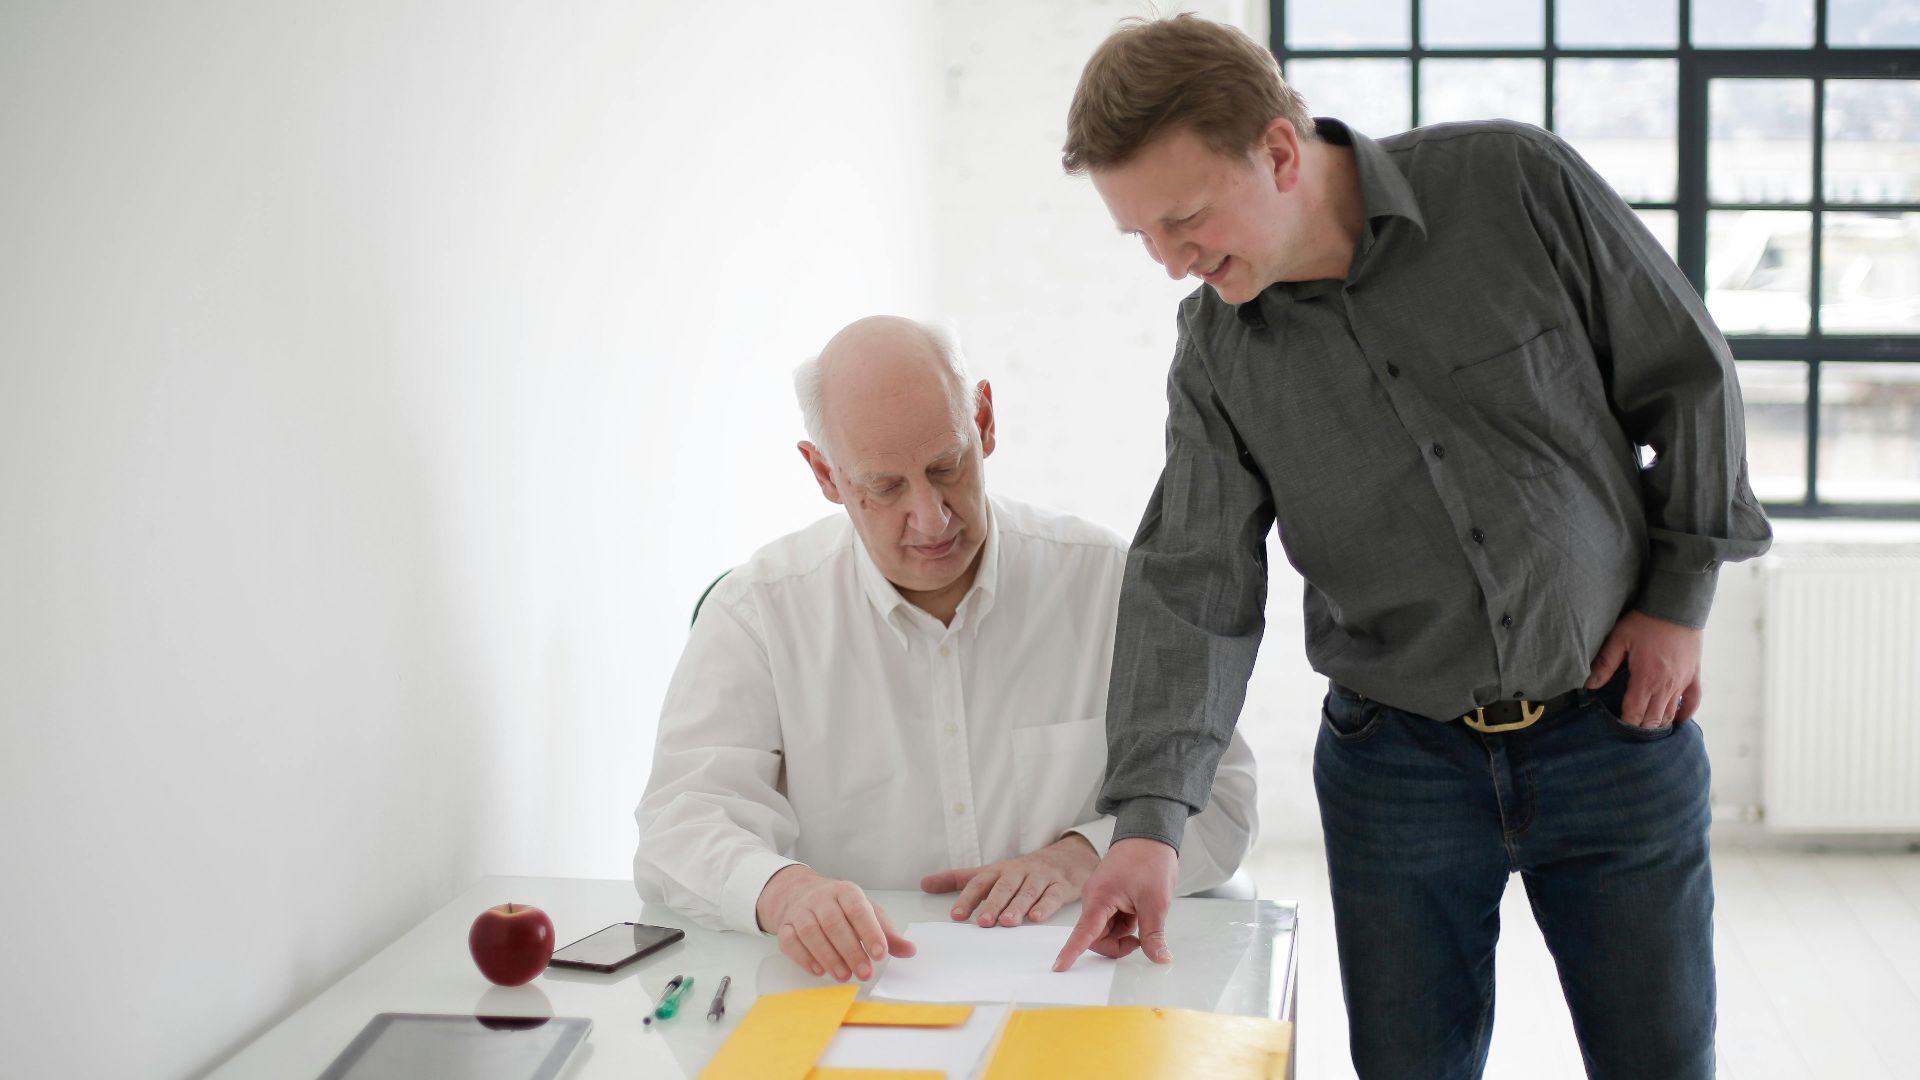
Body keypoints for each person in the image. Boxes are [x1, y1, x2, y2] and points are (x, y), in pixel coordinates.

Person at [1049, 15, 1772, 1079]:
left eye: (1185, 220)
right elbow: (1196, 580)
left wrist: (1678, 600)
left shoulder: (1513, 183)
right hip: (1397, 771)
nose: (1170, 264)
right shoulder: (1216, 351)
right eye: (1141, 237)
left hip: (1615, 730)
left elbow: (1689, 376)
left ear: (1279, 151)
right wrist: (1149, 826)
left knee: (1661, 1061)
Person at [634, 314, 1257, 985]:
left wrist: (1082, 855)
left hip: (1080, 976)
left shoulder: (1108, 583)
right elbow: (681, 824)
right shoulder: (759, 611)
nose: (931, 518)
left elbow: (1223, 796)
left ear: (984, 421)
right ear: (825, 474)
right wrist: (784, 893)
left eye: (946, 466)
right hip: (864, 987)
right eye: (885, 487)